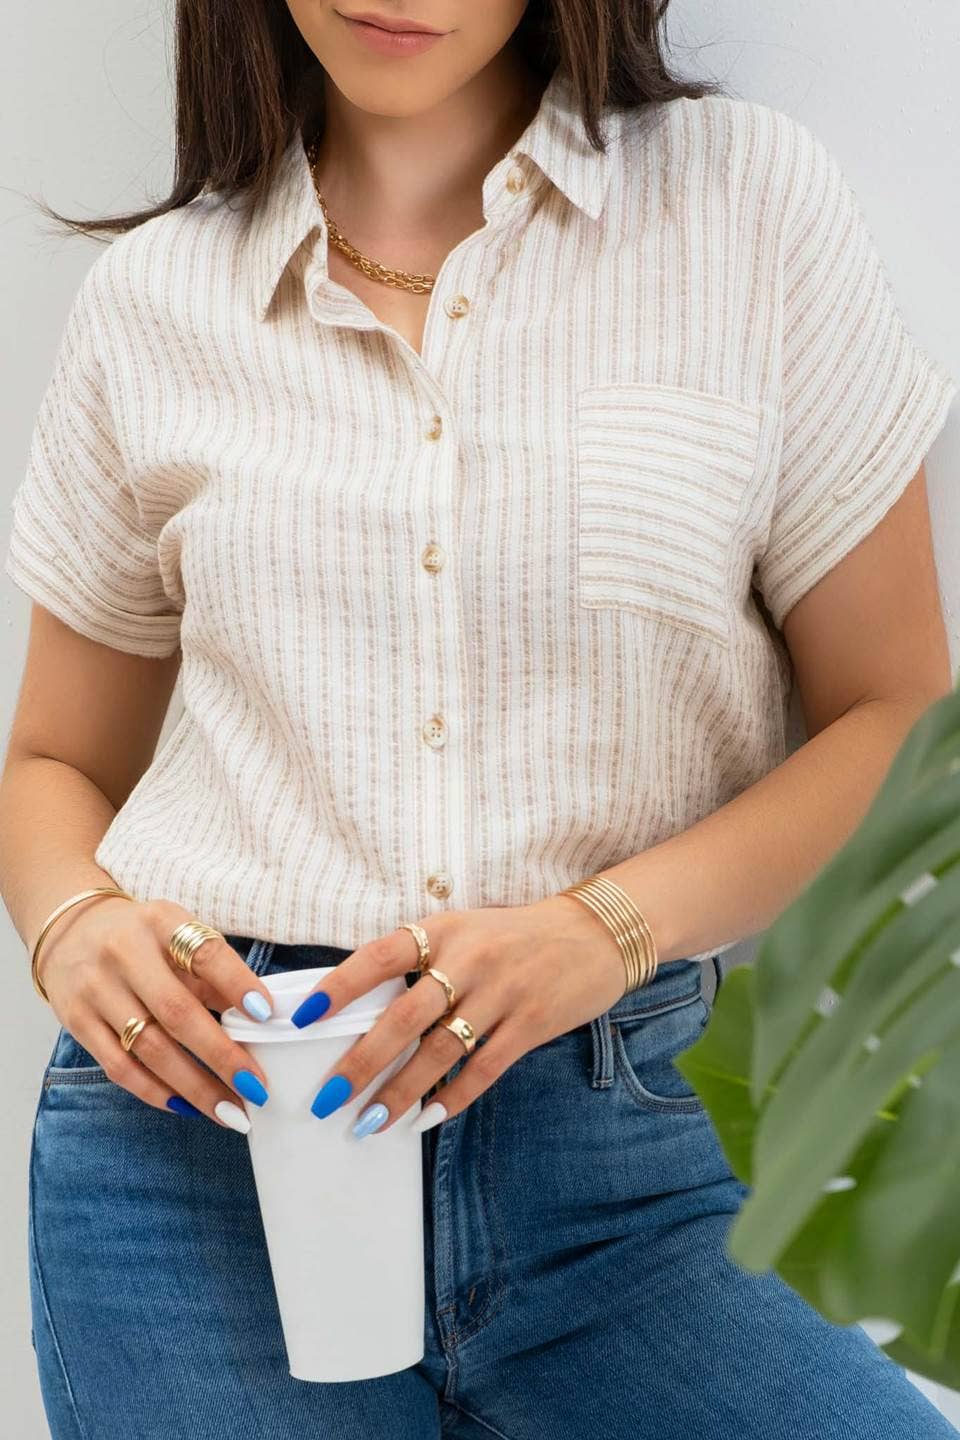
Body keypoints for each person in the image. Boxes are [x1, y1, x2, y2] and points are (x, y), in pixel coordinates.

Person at [2, 2, 958, 1436]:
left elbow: (898, 718)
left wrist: (602, 928)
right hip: (206, 1159)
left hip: (634, 1142)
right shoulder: (157, 300)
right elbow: (55, 759)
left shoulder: (744, 205)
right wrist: (76, 922)